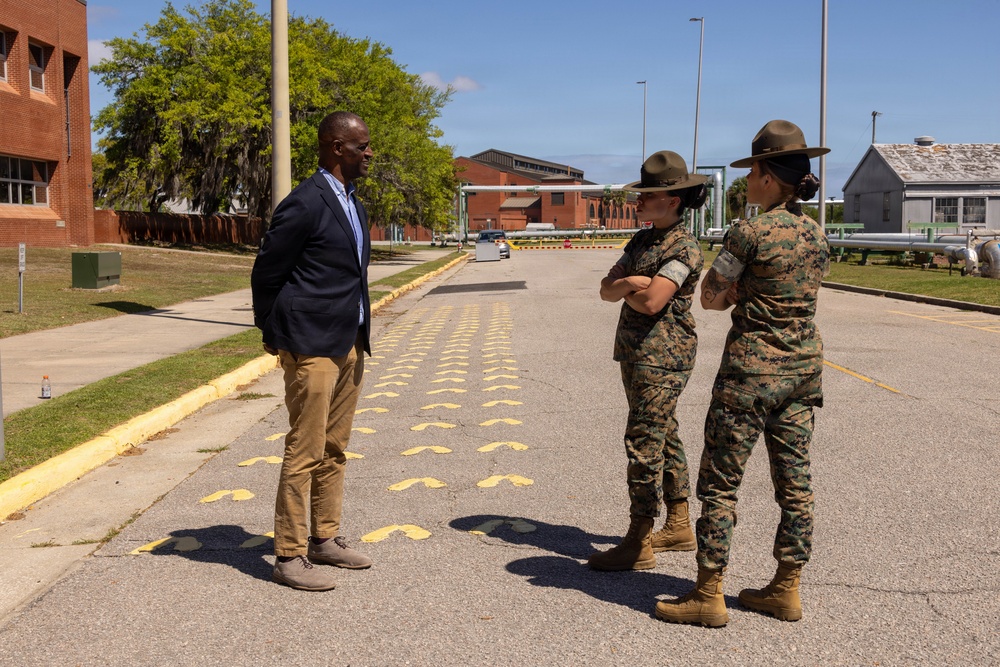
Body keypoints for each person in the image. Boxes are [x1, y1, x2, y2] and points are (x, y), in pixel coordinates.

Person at [655, 120, 829, 626]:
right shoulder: (817, 234)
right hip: (803, 372)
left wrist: (736, 292)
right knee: (795, 483)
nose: (748, 180)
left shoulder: (749, 232)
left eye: (752, 172)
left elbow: (710, 297)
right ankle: (786, 588)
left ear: (768, 176)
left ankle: (708, 593)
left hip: (750, 374)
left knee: (721, 484)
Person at [251, 111, 375, 591]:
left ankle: (324, 538)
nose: (369, 153)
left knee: (334, 447)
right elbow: (267, 272)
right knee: (304, 448)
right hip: (311, 343)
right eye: (361, 146)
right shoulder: (305, 202)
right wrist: (273, 332)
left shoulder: (353, 202)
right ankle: (288, 554)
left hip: (348, 342)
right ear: (336, 147)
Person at [589, 150, 708, 571]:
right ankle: (678, 524)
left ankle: (639, 541)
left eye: (647, 195)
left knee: (643, 442)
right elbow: (605, 290)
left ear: (672, 200)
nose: (637, 201)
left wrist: (628, 288)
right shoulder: (641, 241)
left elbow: (654, 302)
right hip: (637, 353)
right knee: (665, 433)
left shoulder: (683, 247)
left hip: (664, 356)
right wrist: (630, 282)